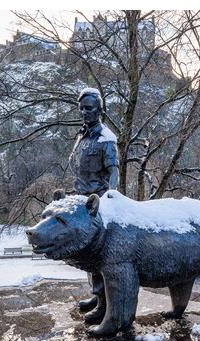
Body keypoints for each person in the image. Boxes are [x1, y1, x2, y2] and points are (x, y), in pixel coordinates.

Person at [68, 87, 119, 324]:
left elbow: (114, 171)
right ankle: (97, 294)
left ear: (99, 110)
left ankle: (104, 303)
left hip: (96, 203)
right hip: (81, 199)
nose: (84, 112)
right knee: (87, 253)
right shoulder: (82, 135)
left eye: (89, 108)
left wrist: (110, 198)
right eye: (81, 108)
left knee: (99, 255)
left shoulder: (105, 138)